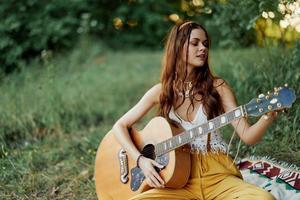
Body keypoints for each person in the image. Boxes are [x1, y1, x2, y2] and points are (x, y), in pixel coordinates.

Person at [112, 21, 277, 200]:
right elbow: (119, 126)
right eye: (195, 43)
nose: (203, 48)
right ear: (177, 47)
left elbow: (247, 136)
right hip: (176, 180)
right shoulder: (160, 92)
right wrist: (140, 160)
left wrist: (267, 116)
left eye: (205, 44)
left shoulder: (218, 87)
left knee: (263, 199)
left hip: (218, 176)